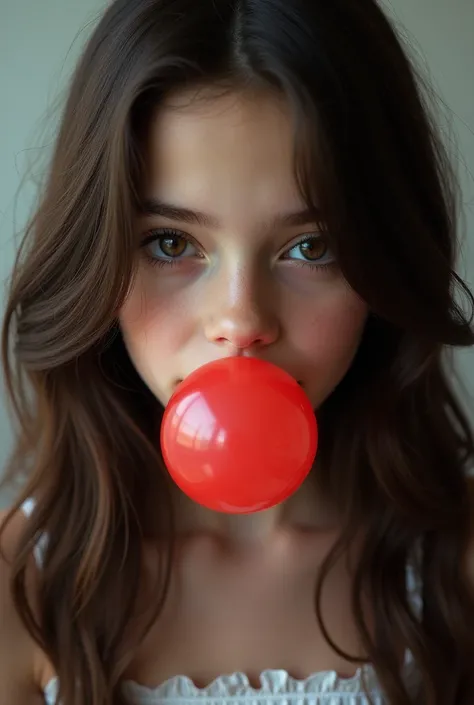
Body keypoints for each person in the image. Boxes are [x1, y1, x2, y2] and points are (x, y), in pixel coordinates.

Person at [1, 0, 474, 703]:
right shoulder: (25, 585)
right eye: (171, 243)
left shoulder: (455, 564)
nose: (241, 319)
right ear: (98, 260)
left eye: (313, 247)